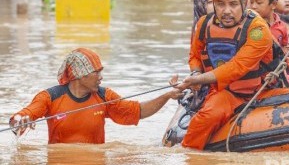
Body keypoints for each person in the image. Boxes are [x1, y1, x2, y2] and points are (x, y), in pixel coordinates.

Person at [175, 0, 289, 150]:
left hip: (262, 90)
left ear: (244, 2)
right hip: (227, 93)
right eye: (220, 4)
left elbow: (238, 66)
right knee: (206, 118)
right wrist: (195, 73)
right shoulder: (203, 24)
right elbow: (194, 56)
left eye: (233, 4)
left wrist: (200, 79)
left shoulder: (258, 29)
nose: (227, 11)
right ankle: (189, 157)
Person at [9, 48, 183, 144]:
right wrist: (19, 120)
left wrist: (167, 95)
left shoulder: (105, 96)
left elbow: (138, 111)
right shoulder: (50, 96)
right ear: (80, 75)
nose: (101, 77)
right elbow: (23, 116)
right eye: (96, 73)